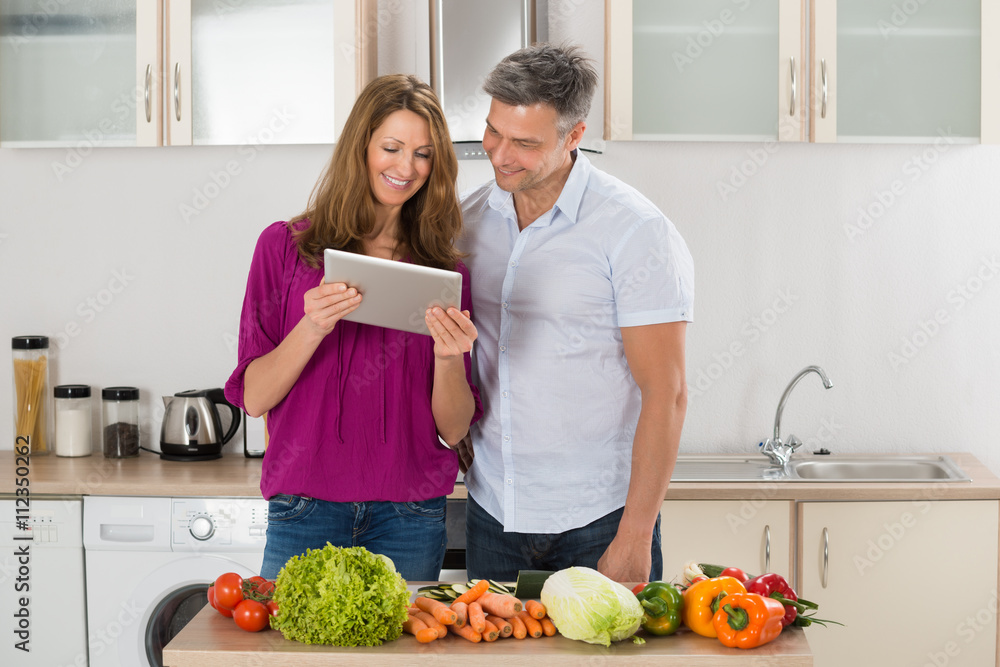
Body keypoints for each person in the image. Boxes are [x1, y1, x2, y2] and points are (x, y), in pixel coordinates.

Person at [225, 74, 482, 582]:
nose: (406, 167)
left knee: (397, 664)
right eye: (391, 147)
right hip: (304, 508)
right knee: (298, 662)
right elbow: (254, 398)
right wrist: (312, 326)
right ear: (360, 147)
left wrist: (449, 357)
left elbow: (453, 429)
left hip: (409, 513)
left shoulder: (444, 274)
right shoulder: (283, 249)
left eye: (424, 154)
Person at [457, 44, 694, 584]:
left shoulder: (635, 232)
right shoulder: (468, 222)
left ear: (574, 137)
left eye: (524, 143)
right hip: (494, 511)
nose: (499, 154)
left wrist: (635, 536)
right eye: (494, 131)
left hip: (600, 519)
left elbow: (668, 393)